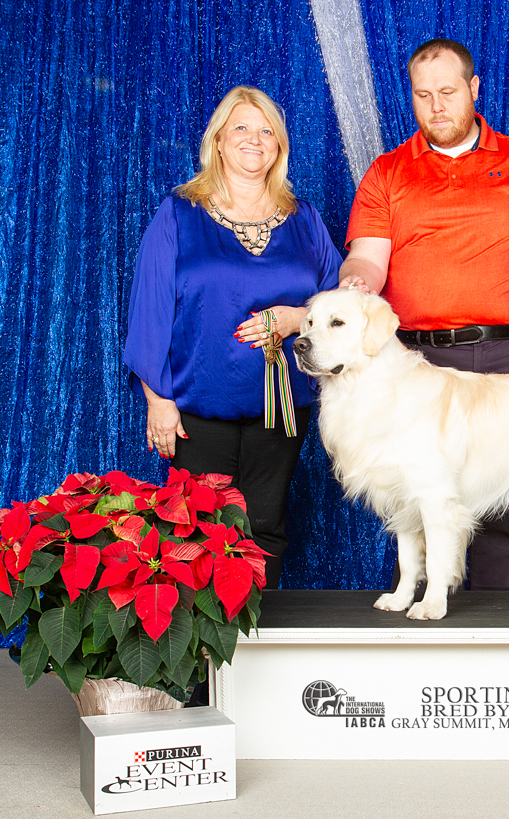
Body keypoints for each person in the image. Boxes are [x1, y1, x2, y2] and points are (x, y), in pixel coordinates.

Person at [339, 39, 509, 592]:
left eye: (448, 92)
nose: (436, 107)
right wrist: (355, 282)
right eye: (423, 95)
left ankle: (508, 631)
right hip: (420, 362)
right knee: (417, 498)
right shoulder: (387, 172)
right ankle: (426, 614)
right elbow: (368, 257)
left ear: (474, 89)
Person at [124, 86, 341, 588]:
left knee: (265, 526)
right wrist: (158, 400)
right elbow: (149, 310)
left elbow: (336, 304)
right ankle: (203, 642)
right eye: (241, 127)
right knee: (198, 533)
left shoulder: (303, 218)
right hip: (199, 407)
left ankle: (257, 637)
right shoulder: (179, 213)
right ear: (218, 141)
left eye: (267, 131)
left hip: (282, 405)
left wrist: (296, 317)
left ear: (279, 146)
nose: (254, 139)